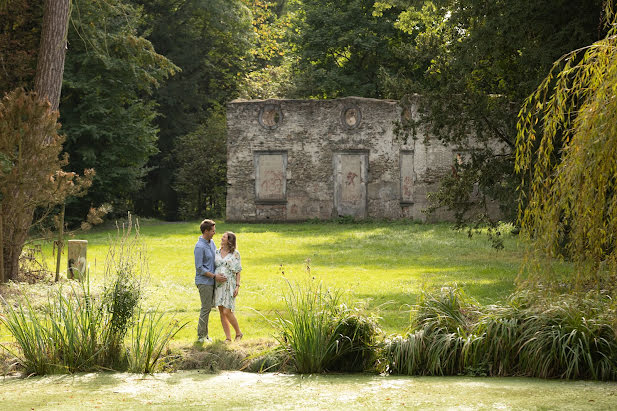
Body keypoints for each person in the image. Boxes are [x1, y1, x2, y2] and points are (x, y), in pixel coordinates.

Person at [194, 219, 226, 343]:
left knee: (208, 307)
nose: (214, 232)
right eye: (212, 230)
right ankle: (201, 336)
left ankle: (205, 336)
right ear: (206, 231)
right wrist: (214, 276)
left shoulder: (211, 242)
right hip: (204, 282)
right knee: (206, 308)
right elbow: (199, 267)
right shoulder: (199, 246)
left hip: (212, 281)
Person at [213, 231, 243, 342]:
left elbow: (238, 270)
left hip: (229, 285)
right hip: (218, 285)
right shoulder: (216, 252)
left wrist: (237, 286)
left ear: (229, 240)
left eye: (224, 237)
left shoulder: (235, 253)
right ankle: (228, 338)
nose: (221, 238)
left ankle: (239, 333)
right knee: (221, 311)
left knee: (227, 311)